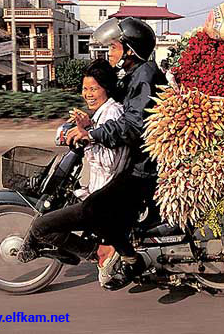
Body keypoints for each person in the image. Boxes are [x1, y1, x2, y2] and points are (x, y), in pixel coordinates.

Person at [65, 17, 167, 290]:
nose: (109, 53)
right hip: (136, 160)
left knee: (95, 209)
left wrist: (93, 134)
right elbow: (113, 109)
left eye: (114, 47)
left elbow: (133, 124)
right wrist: (88, 123)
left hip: (144, 167)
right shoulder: (134, 76)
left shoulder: (145, 75)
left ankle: (131, 261)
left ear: (130, 50)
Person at [17, 60, 130, 278]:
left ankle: (100, 252)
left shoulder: (112, 113)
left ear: (106, 88)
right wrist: (86, 128)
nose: (88, 94)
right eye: (85, 89)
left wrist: (87, 136)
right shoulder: (101, 113)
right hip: (100, 191)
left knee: (42, 227)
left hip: (105, 198)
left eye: (94, 89)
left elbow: (109, 162)